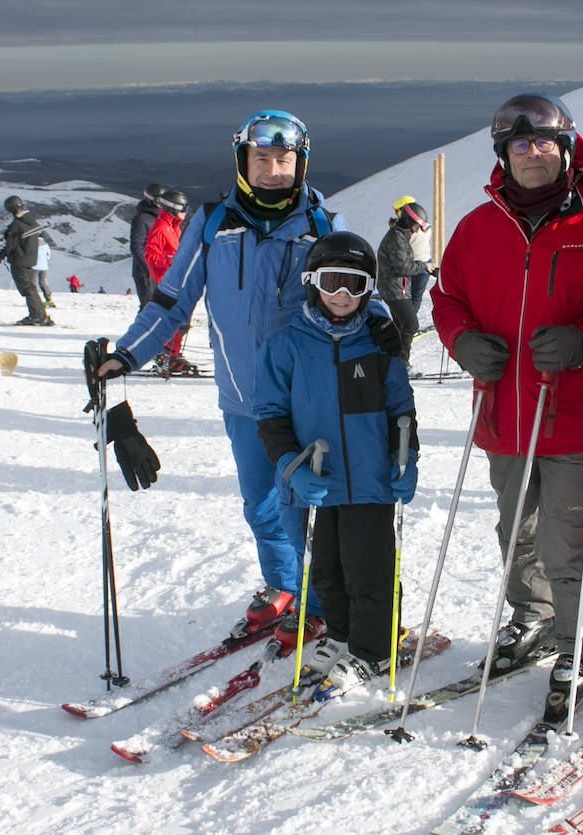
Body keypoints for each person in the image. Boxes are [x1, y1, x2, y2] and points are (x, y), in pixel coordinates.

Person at [90, 110, 400, 648]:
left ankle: (321, 604)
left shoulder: (323, 224)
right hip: (242, 398)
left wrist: (385, 328)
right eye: (262, 159)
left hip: (312, 398)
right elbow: (170, 301)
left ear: (299, 163)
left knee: (314, 505)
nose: (274, 170)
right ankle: (286, 586)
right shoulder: (213, 225)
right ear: (243, 162)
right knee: (261, 504)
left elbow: (355, 292)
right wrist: (126, 356)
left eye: (284, 160)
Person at [430, 93, 583, 708]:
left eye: (545, 143)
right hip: (502, 411)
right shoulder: (476, 227)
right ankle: (533, 612)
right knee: (515, 529)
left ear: (567, 150)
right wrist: (462, 341)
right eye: (520, 145)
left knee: (565, 536)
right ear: (503, 155)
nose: (534, 154)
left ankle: (582, 643)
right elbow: (447, 298)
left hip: (569, 411)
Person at [253, 231, 418, 696]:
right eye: (332, 282)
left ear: (369, 289)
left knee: (369, 570)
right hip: (318, 480)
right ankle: (344, 636)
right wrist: (289, 464)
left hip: (370, 480)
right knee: (326, 569)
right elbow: (270, 415)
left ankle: (374, 649)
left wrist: (407, 459)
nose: (343, 295)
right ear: (312, 283)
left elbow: (400, 409)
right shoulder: (285, 345)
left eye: (355, 284)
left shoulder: (378, 345)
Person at [143, 189, 198, 374]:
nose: (185, 212)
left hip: (173, 279)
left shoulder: (173, 227)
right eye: (183, 208)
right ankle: (166, 356)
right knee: (171, 319)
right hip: (162, 281)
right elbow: (150, 255)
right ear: (173, 208)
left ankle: (171, 354)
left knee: (180, 319)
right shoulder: (160, 226)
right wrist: (171, 260)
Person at [376, 199, 434, 361]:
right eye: (416, 226)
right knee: (411, 325)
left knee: (401, 325)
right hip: (393, 290)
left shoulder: (400, 236)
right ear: (409, 222)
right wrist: (423, 267)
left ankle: (394, 360)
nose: (416, 231)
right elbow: (403, 268)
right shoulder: (396, 239)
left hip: (397, 288)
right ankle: (402, 363)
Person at [0, 195, 53, 325]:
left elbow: (11, 244)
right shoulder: (31, 221)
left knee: (27, 289)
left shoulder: (16, 225)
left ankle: (36, 316)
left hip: (19, 260)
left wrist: (4, 252)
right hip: (30, 259)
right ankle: (41, 314)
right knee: (31, 288)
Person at [129, 183, 165, 312]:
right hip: (145, 273)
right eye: (158, 200)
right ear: (150, 199)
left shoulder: (158, 218)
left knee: (156, 307)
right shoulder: (142, 219)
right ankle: (138, 332)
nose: (161, 203)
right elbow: (136, 245)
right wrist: (147, 269)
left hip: (157, 270)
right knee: (147, 307)